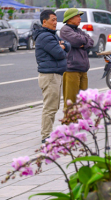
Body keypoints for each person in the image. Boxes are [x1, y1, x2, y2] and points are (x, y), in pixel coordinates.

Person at [33, 9, 71, 142]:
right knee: (50, 106)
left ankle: (49, 133)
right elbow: (60, 53)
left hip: (55, 74)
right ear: (44, 22)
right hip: (49, 75)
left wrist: (63, 46)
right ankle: (46, 135)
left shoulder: (51, 34)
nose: (56, 22)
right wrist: (61, 47)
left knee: (54, 106)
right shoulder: (45, 36)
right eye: (53, 20)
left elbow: (68, 45)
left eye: (56, 19)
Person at [59, 8, 94, 110]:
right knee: (71, 100)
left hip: (83, 69)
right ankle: (69, 123)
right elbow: (77, 41)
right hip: (71, 69)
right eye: (77, 16)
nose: (80, 18)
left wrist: (84, 42)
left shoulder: (78, 30)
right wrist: (84, 41)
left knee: (83, 100)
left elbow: (91, 41)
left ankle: (80, 123)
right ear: (70, 18)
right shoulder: (65, 30)